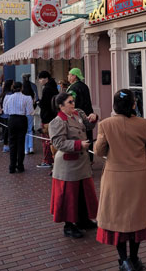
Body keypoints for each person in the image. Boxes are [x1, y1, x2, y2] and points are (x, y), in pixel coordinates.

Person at [95, 89, 146, 271]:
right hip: (138, 178)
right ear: (133, 104)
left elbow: (99, 151)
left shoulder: (106, 124)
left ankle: (124, 260)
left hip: (115, 178)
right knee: (137, 220)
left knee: (117, 220)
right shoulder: (143, 124)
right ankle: (135, 257)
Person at [48, 92, 99, 239]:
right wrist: (78, 144)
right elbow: (58, 143)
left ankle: (83, 220)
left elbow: (88, 125)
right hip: (68, 164)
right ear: (61, 106)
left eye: (73, 101)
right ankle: (69, 225)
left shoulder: (78, 114)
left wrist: (93, 118)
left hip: (81, 162)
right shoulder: (58, 121)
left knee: (83, 193)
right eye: (69, 102)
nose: (73, 104)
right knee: (69, 196)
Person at [2, 82, 34, 173]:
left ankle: (12, 166)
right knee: (21, 142)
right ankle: (20, 165)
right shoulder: (27, 98)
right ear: (21, 88)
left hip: (12, 119)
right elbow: (30, 112)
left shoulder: (8, 97)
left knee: (12, 143)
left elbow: (6, 110)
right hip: (22, 119)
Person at [67, 68, 95, 163]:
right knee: (88, 137)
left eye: (69, 75)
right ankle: (90, 159)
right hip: (87, 114)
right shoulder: (84, 86)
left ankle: (83, 161)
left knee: (80, 137)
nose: (68, 77)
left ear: (74, 76)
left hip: (78, 116)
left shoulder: (73, 88)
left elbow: (71, 103)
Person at [36, 71, 57, 168]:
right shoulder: (54, 87)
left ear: (46, 78)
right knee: (52, 139)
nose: (40, 81)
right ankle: (53, 158)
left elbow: (44, 104)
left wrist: (38, 102)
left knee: (46, 140)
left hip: (47, 117)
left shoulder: (47, 89)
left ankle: (47, 160)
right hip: (53, 116)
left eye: (40, 78)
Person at [21, 78, 36, 155]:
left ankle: (26, 149)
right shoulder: (31, 95)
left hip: (23, 115)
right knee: (30, 130)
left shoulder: (22, 96)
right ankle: (31, 147)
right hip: (30, 114)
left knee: (25, 131)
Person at [0, 80, 14, 153]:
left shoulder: (3, 94)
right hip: (9, 114)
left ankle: (5, 144)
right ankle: (7, 145)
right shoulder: (9, 94)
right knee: (8, 130)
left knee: (5, 130)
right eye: (12, 83)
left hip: (4, 114)